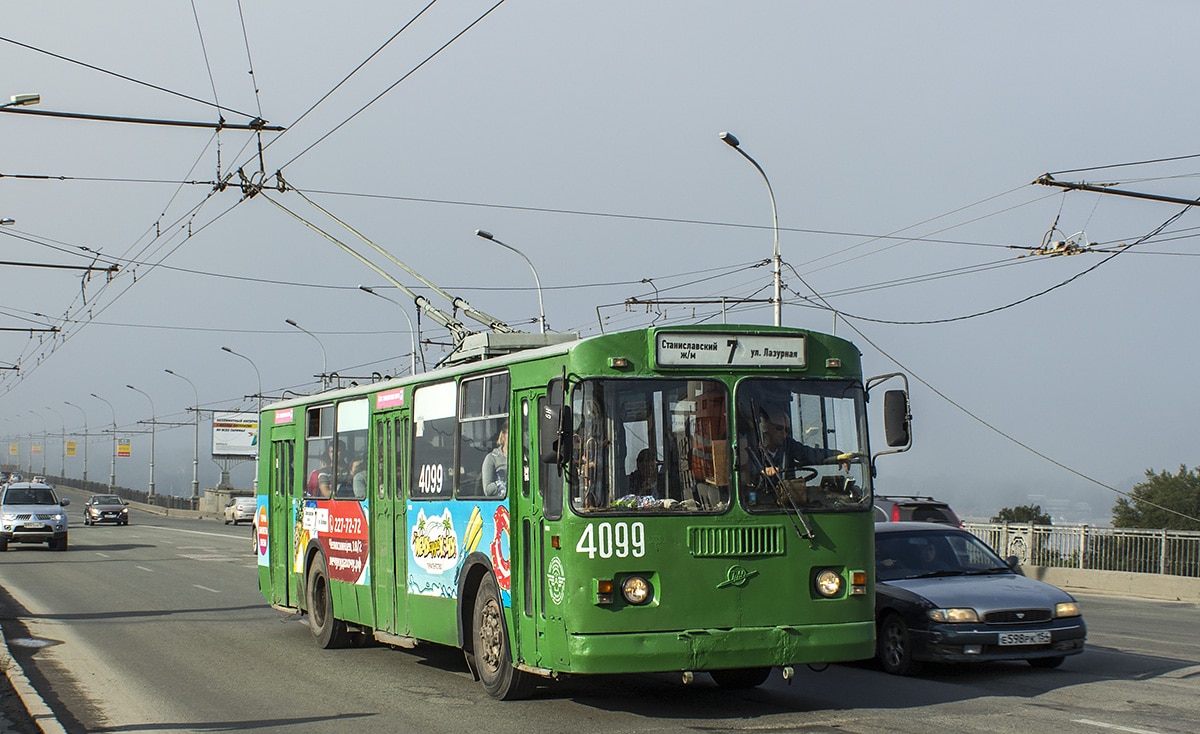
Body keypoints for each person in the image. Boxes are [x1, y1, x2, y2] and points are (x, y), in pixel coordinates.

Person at [482, 425, 508, 497]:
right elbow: (487, 490)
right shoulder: (491, 458)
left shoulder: (525, 456)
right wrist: (503, 481)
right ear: (503, 436)